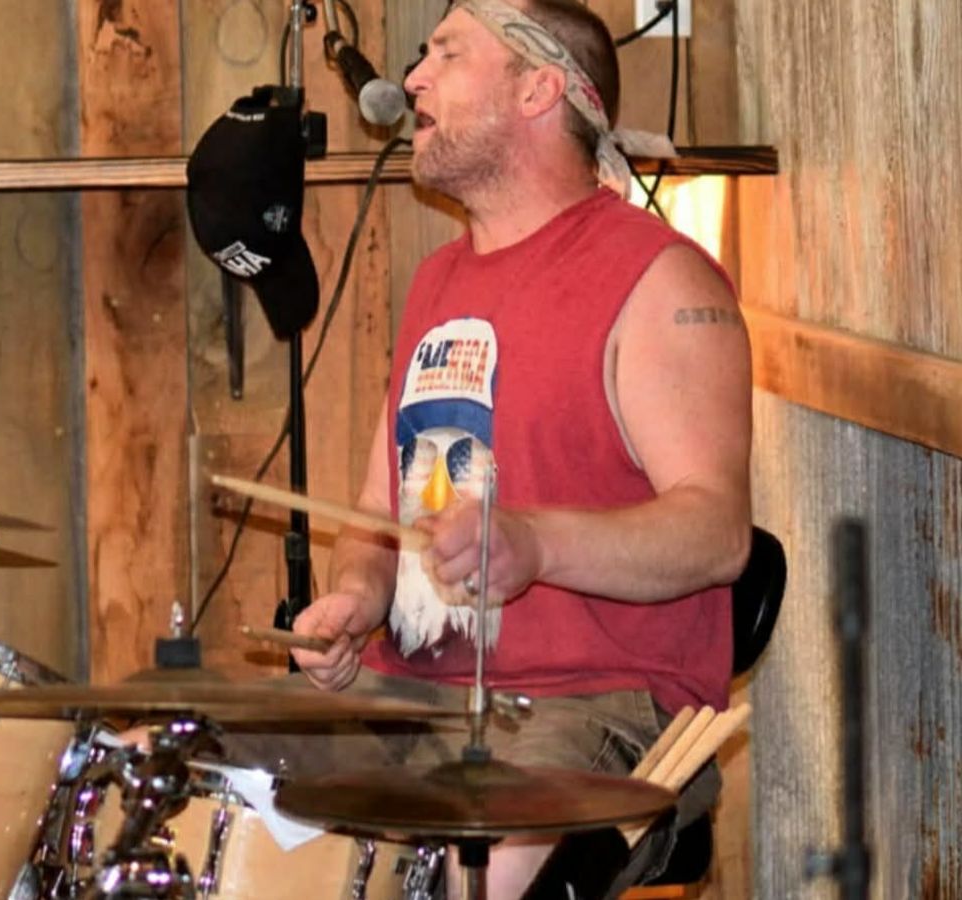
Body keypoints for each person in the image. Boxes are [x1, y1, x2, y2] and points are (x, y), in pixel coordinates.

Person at [286, 0, 754, 896]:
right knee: (187, 786)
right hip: (412, 699)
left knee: (474, 870)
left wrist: (533, 544)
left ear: (538, 89)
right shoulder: (438, 279)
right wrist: (353, 599)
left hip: (593, 704)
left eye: (447, 55)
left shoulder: (662, 279)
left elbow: (716, 533)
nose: (412, 79)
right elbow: (379, 515)